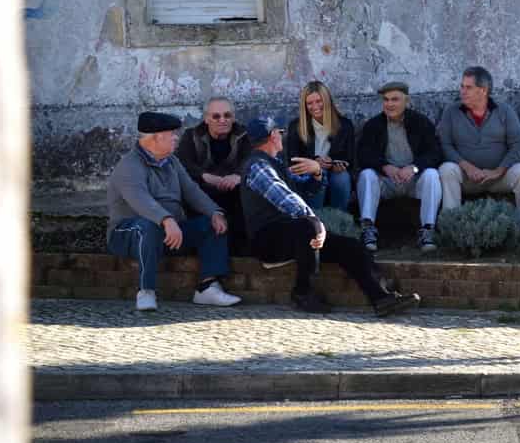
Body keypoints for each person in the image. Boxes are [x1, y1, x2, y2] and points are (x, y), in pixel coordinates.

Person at [240, 115, 418, 316]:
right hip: (267, 241)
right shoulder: (258, 166)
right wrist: (315, 223)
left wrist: (317, 172)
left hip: (293, 236)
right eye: (280, 132)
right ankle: (302, 292)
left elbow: (305, 190)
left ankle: (381, 297)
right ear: (273, 135)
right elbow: (285, 198)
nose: (282, 136)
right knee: (308, 227)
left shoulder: (276, 163)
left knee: (350, 246)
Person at [105, 111, 242, 312]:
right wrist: (166, 220)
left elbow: (191, 191)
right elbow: (140, 200)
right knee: (147, 226)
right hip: (127, 234)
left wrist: (214, 212)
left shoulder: (172, 161)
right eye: (171, 134)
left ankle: (207, 288)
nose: (176, 138)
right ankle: (146, 291)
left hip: (169, 232)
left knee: (212, 225)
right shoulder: (129, 165)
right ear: (156, 138)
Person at [438, 65, 520, 229]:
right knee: (446, 169)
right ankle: (450, 226)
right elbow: (445, 145)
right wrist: (467, 167)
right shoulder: (451, 112)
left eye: (468, 87)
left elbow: (518, 145)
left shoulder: (505, 111)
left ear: (483, 90)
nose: (462, 91)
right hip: (467, 177)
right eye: (462, 86)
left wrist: (499, 171)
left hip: (499, 176)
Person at [354, 80, 444, 252]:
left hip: (413, 180)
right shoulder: (374, 125)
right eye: (386, 100)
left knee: (432, 175)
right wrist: (384, 166)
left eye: (395, 99)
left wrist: (414, 167)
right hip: (386, 180)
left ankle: (428, 230)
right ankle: (367, 229)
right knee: (366, 175)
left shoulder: (420, 122)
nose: (389, 104)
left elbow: (435, 152)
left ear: (406, 101)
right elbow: (363, 155)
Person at [177, 95, 253, 253]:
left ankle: (241, 251)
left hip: (234, 193)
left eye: (227, 115)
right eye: (216, 116)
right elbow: (182, 163)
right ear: (206, 119)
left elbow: (254, 160)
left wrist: (238, 176)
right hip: (203, 194)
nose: (222, 120)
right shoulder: (191, 136)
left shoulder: (244, 135)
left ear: (233, 117)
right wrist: (205, 176)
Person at [282, 79, 355, 211]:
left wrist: (335, 163)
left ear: (327, 101)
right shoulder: (296, 126)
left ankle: (339, 218)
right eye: (309, 103)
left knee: (342, 177)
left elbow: (350, 158)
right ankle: (315, 219)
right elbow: (293, 160)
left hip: (334, 173)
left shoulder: (345, 125)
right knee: (316, 175)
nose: (315, 106)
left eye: (319, 101)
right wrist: (315, 163)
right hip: (310, 174)